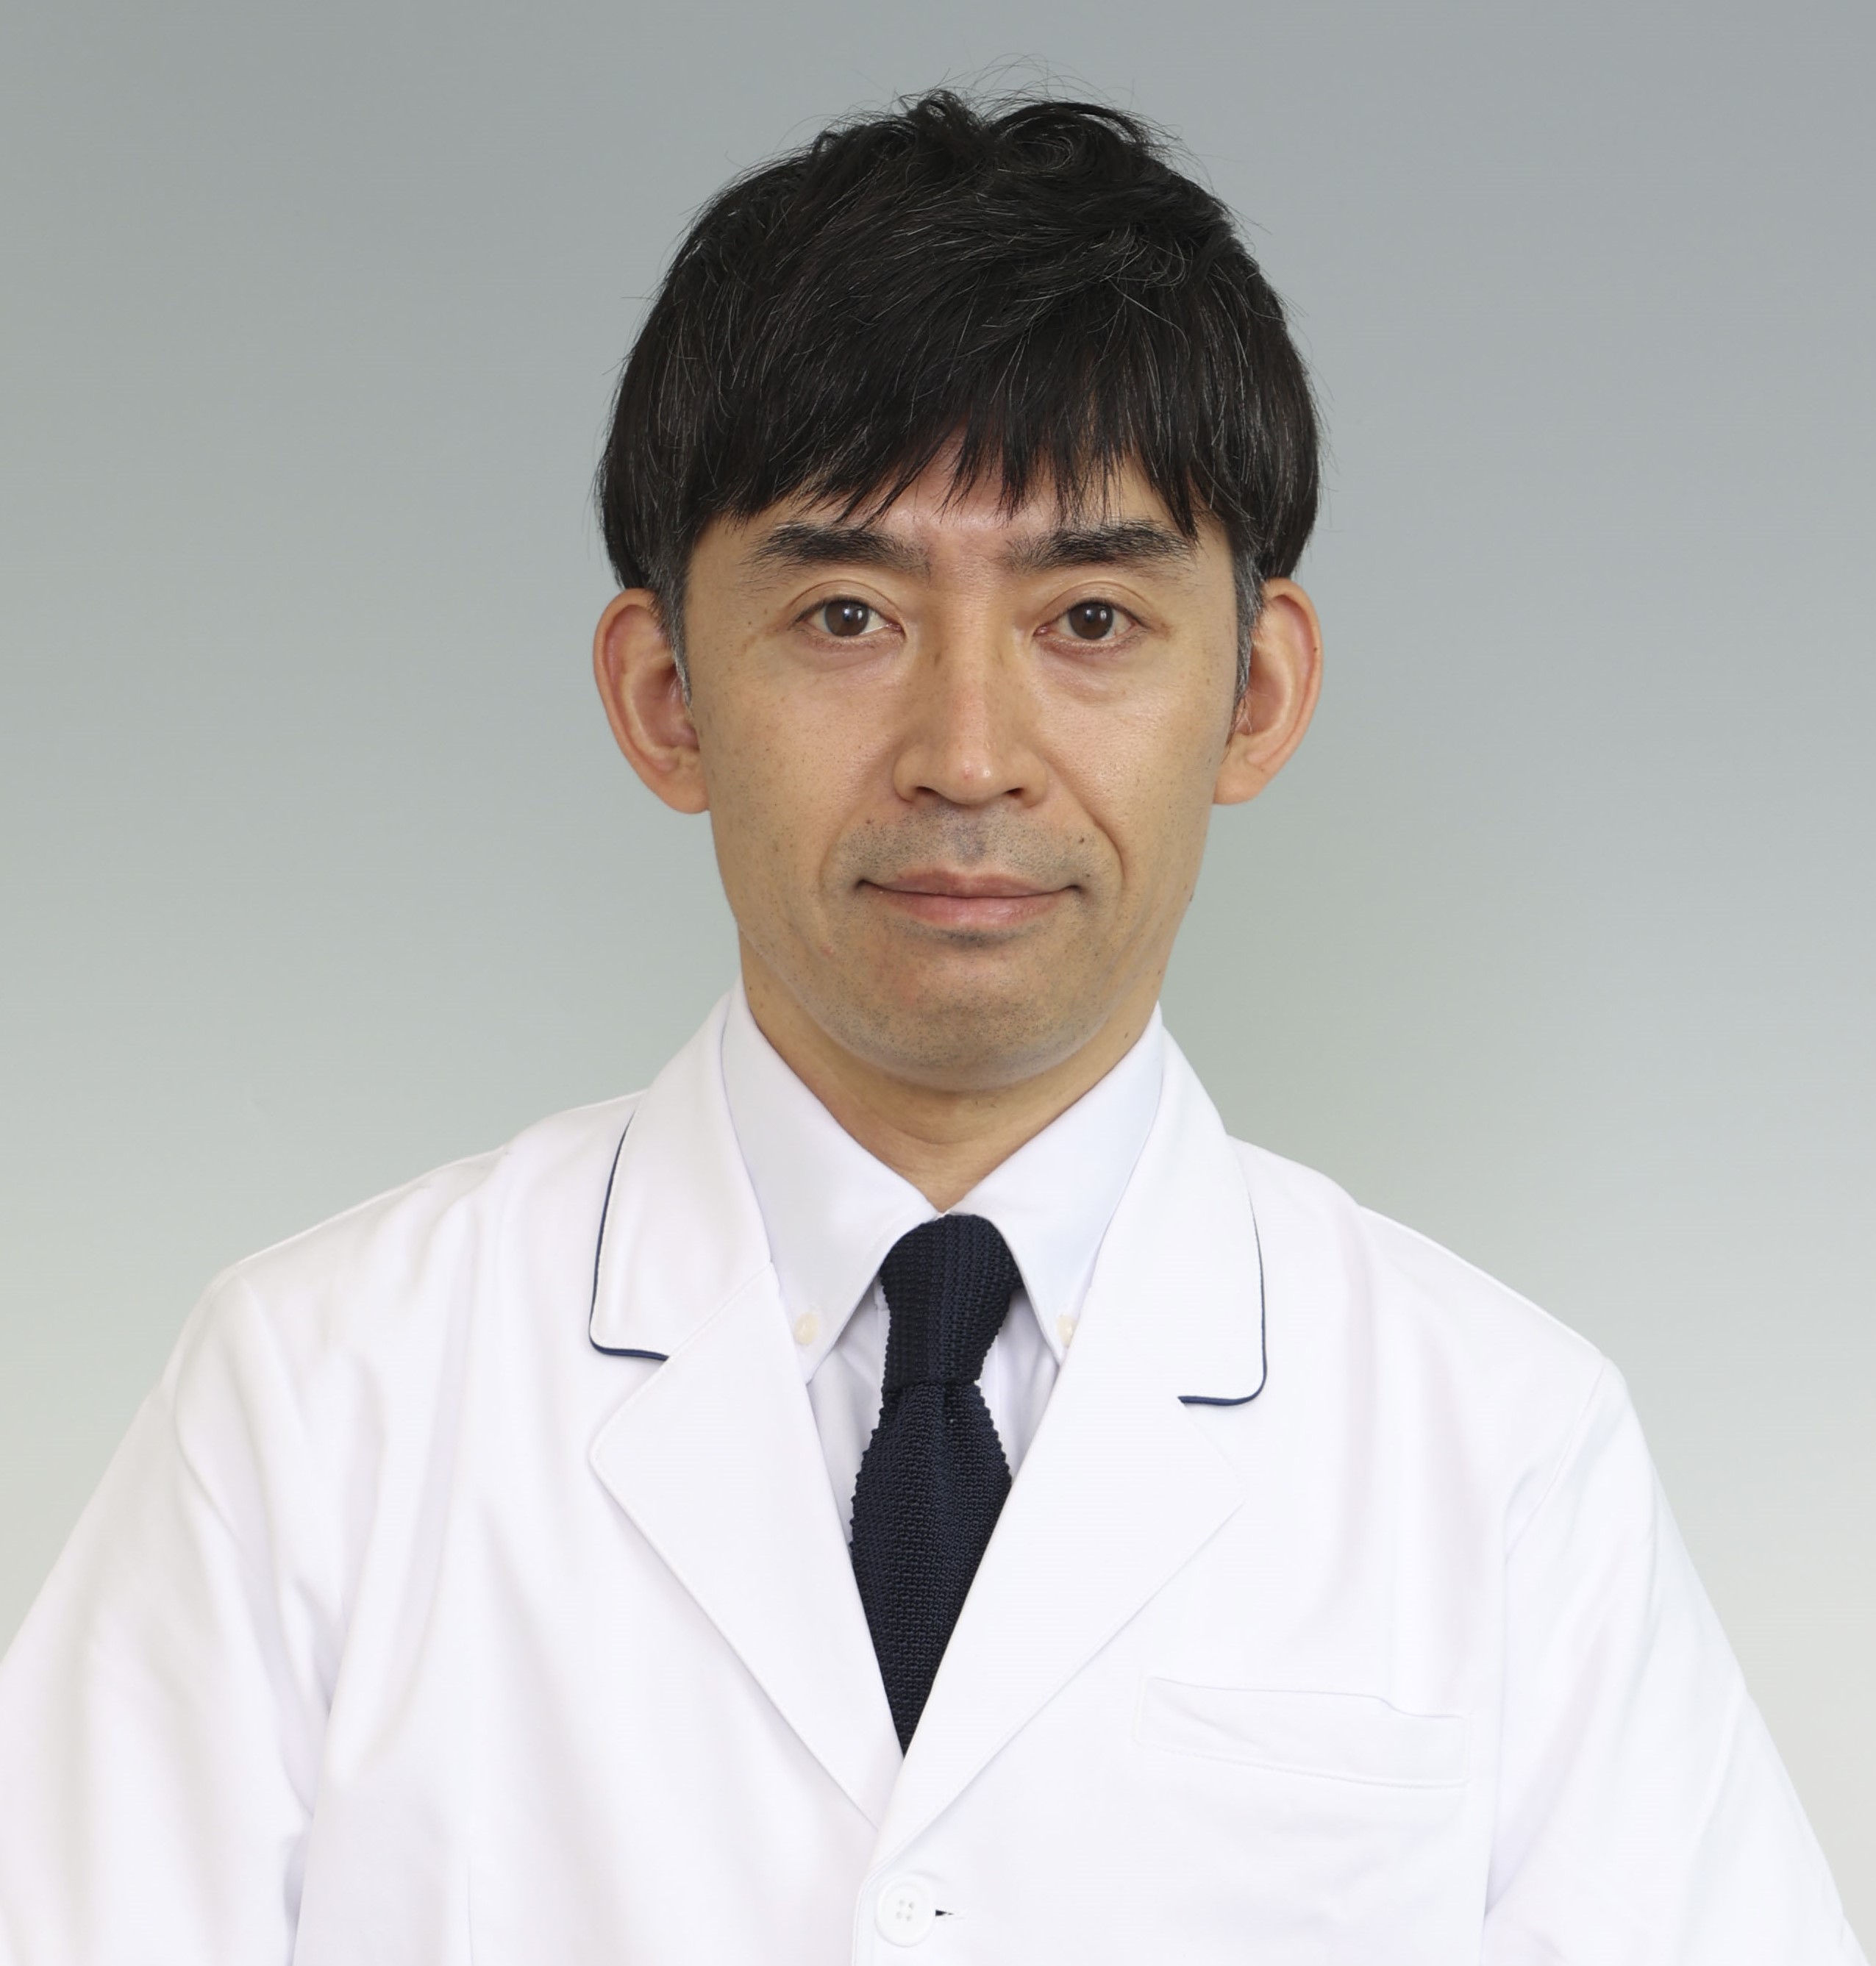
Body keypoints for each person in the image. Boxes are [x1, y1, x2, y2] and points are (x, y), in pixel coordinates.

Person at [0, 89, 1860, 1966]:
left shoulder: (1504, 1445)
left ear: (1256, 695)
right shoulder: (317, 1402)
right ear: (663, 698)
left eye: (1091, 619)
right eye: (844, 614)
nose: (968, 755)